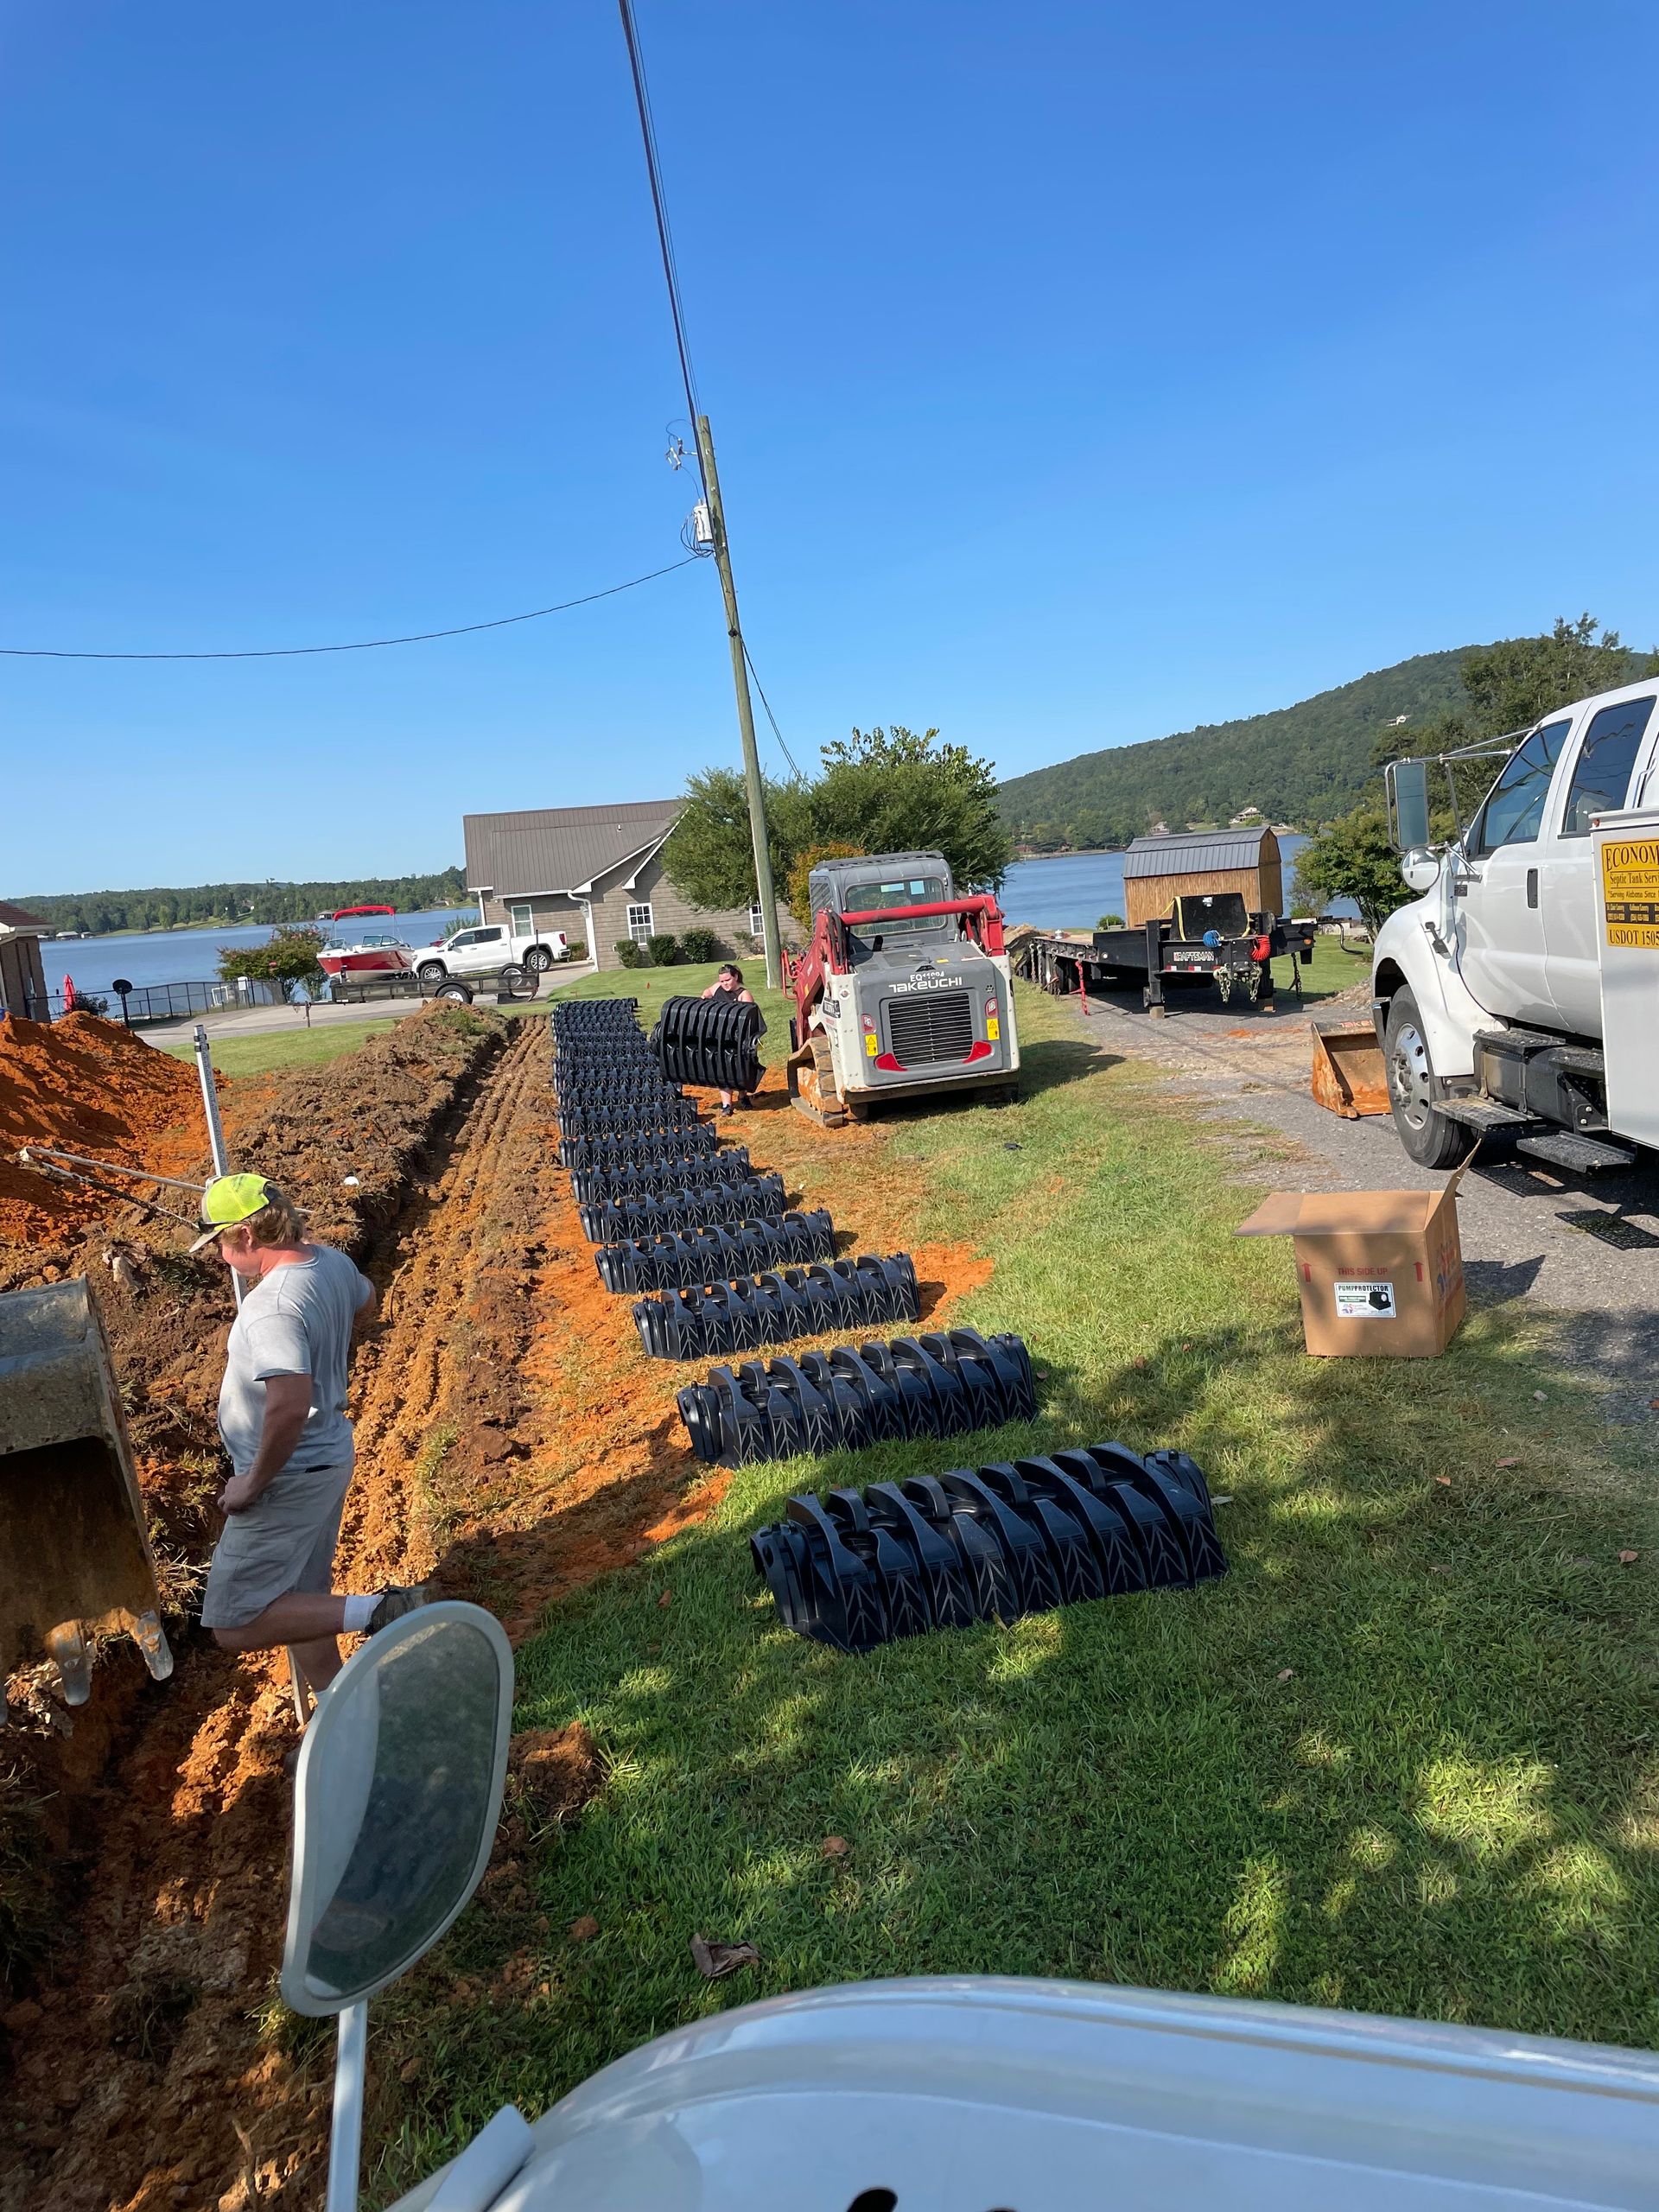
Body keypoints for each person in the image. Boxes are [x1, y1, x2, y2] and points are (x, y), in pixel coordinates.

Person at [191, 1173, 429, 1699]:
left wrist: (253, 1482)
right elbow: (367, 1301)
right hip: (325, 1456)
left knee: (235, 1622)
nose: (219, 1259)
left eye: (221, 1247)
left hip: (287, 1476)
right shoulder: (329, 1262)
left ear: (247, 1238)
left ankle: (382, 1609)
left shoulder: (271, 1307)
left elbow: (290, 1405)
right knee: (301, 1599)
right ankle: (344, 1710)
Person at [701, 962, 760, 1115]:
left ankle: (743, 1096)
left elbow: (749, 1021)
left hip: (738, 1040)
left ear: (736, 977)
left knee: (740, 1069)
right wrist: (704, 996)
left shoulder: (743, 994)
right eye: (722, 981)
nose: (725, 984)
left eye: (727, 980)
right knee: (723, 1070)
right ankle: (727, 1106)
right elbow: (707, 992)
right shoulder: (717, 987)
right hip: (719, 1038)